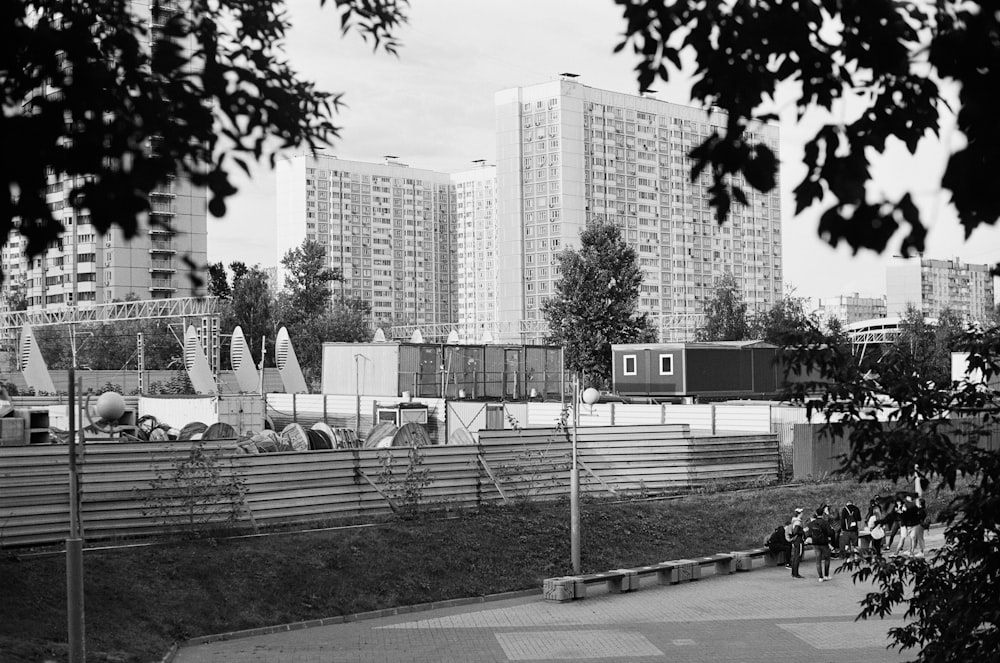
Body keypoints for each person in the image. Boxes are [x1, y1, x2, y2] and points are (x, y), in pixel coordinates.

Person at [805, 504, 836, 582]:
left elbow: (808, 533)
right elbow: (829, 533)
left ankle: (820, 577)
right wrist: (832, 530)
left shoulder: (812, 523)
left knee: (818, 560)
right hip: (824, 543)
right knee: (827, 559)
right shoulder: (825, 522)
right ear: (822, 514)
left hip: (815, 543)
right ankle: (826, 575)